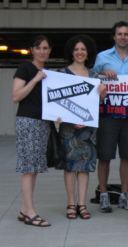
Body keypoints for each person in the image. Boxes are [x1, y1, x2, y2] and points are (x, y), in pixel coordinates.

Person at [93, 21, 128, 213]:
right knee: (105, 156)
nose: (123, 37)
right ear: (114, 36)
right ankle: (104, 196)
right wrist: (101, 73)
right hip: (107, 114)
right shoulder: (102, 56)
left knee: (127, 156)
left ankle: (124, 196)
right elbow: (92, 78)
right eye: (119, 34)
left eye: (126, 34)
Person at [56, 35, 107, 220]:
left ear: (88, 53)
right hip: (69, 129)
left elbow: (97, 103)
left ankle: (82, 204)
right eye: (76, 49)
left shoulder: (94, 76)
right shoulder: (62, 74)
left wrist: (102, 95)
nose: (79, 52)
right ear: (72, 52)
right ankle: (71, 203)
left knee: (85, 166)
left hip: (88, 129)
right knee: (70, 167)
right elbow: (57, 102)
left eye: (83, 49)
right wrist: (65, 119)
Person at [12, 35, 53, 227]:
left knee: (34, 168)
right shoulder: (26, 69)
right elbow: (16, 96)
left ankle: (23, 209)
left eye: (45, 48)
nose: (42, 51)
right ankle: (30, 212)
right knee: (28, 168)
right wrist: (36, 79)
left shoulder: (49, 73)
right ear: (31, 50)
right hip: (27, 122)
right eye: (38, 48)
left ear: (49, 50)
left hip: (43, 123)